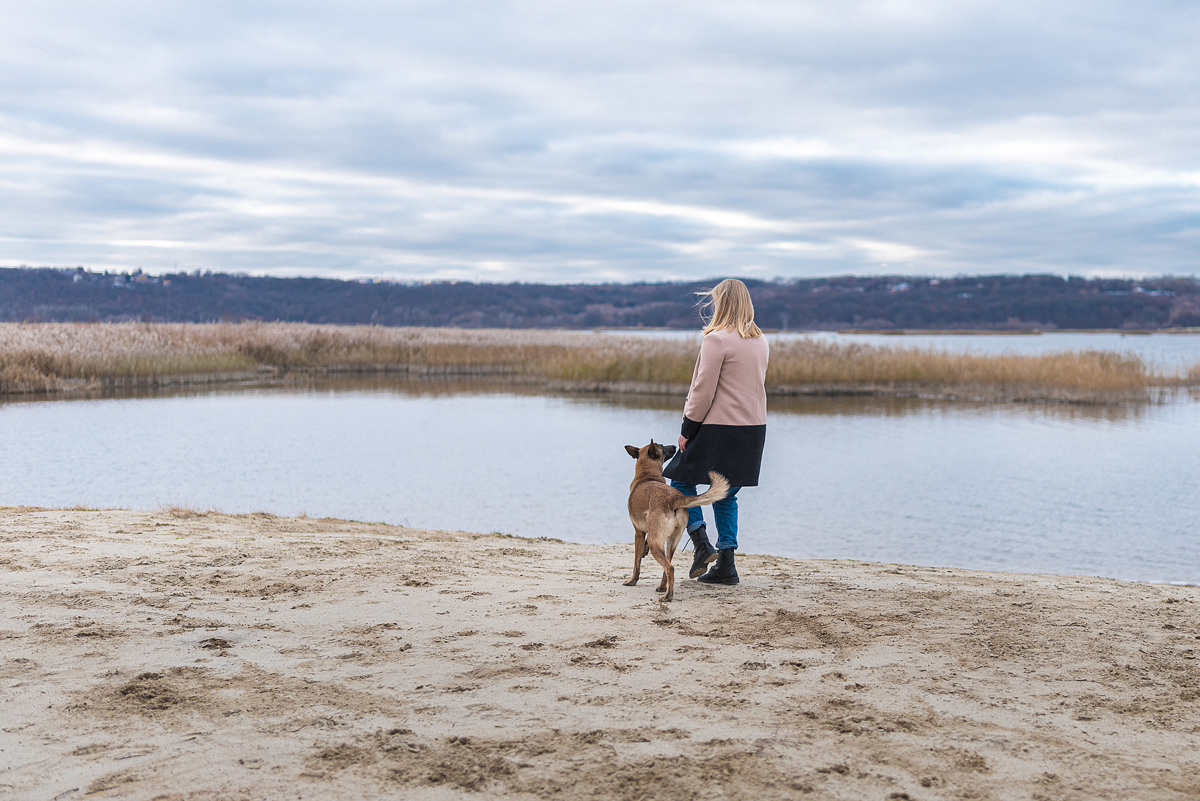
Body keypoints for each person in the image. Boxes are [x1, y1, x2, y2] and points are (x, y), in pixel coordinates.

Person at [662, 278, 768, 586]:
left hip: (719, 429)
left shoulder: (717, 340)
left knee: (680, 480)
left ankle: (700, 542)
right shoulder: (760, 340)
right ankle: (726, 563)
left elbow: (702, 391)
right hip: (753, 431)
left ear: (721, 303)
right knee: (726, 493)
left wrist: (687, 429)